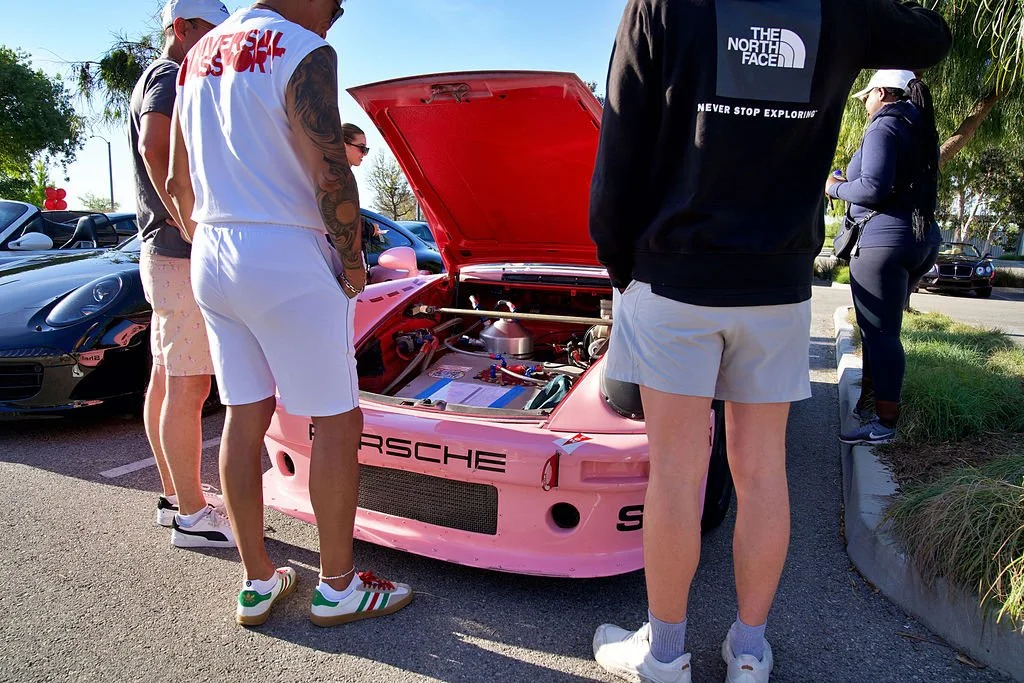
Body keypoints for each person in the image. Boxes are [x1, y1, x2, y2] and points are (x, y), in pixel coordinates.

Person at [588, 2, 950, 682]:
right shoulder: (831, 9)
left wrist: (622, 264)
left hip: (675, 278)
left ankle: (665, 655)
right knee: (762, 473)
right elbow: (932, 35)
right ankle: (748, 652)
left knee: (674, 471)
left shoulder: (663, 5)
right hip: (777, 285)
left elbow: (620, 142)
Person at [166, 0, 412, 627]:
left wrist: (212, 244)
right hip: (287, 249)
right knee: (335, 419)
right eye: (334, 4)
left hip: (213, 248)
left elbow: (175, 177)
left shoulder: (196, 56)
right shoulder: (303, 48)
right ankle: (336, 586)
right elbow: (332, 170)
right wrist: (354, 263)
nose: (336, 14)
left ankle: (257, 580)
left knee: (242, 415)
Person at [128, 0, 235, 549]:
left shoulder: (160, 73)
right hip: (178, 252)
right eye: (210, 33)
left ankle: (176, 497)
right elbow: (155, 146)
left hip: (160, 251)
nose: (216, 45)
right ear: (182, 27)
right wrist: (191, 225)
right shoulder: (171, 75)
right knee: (190, 387)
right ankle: (194, 516)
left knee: (167, 380)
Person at [828, 69, 942, 445]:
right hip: (920, 239)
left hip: (883, 242)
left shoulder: (884, 125)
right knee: (881, 331)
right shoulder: (920, 124)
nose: (864, 105)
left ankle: (884, 424)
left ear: (881, 92)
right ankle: (872, 402)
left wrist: (835, 185)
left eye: (866, 99)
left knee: (881, 334)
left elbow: (874, 188)